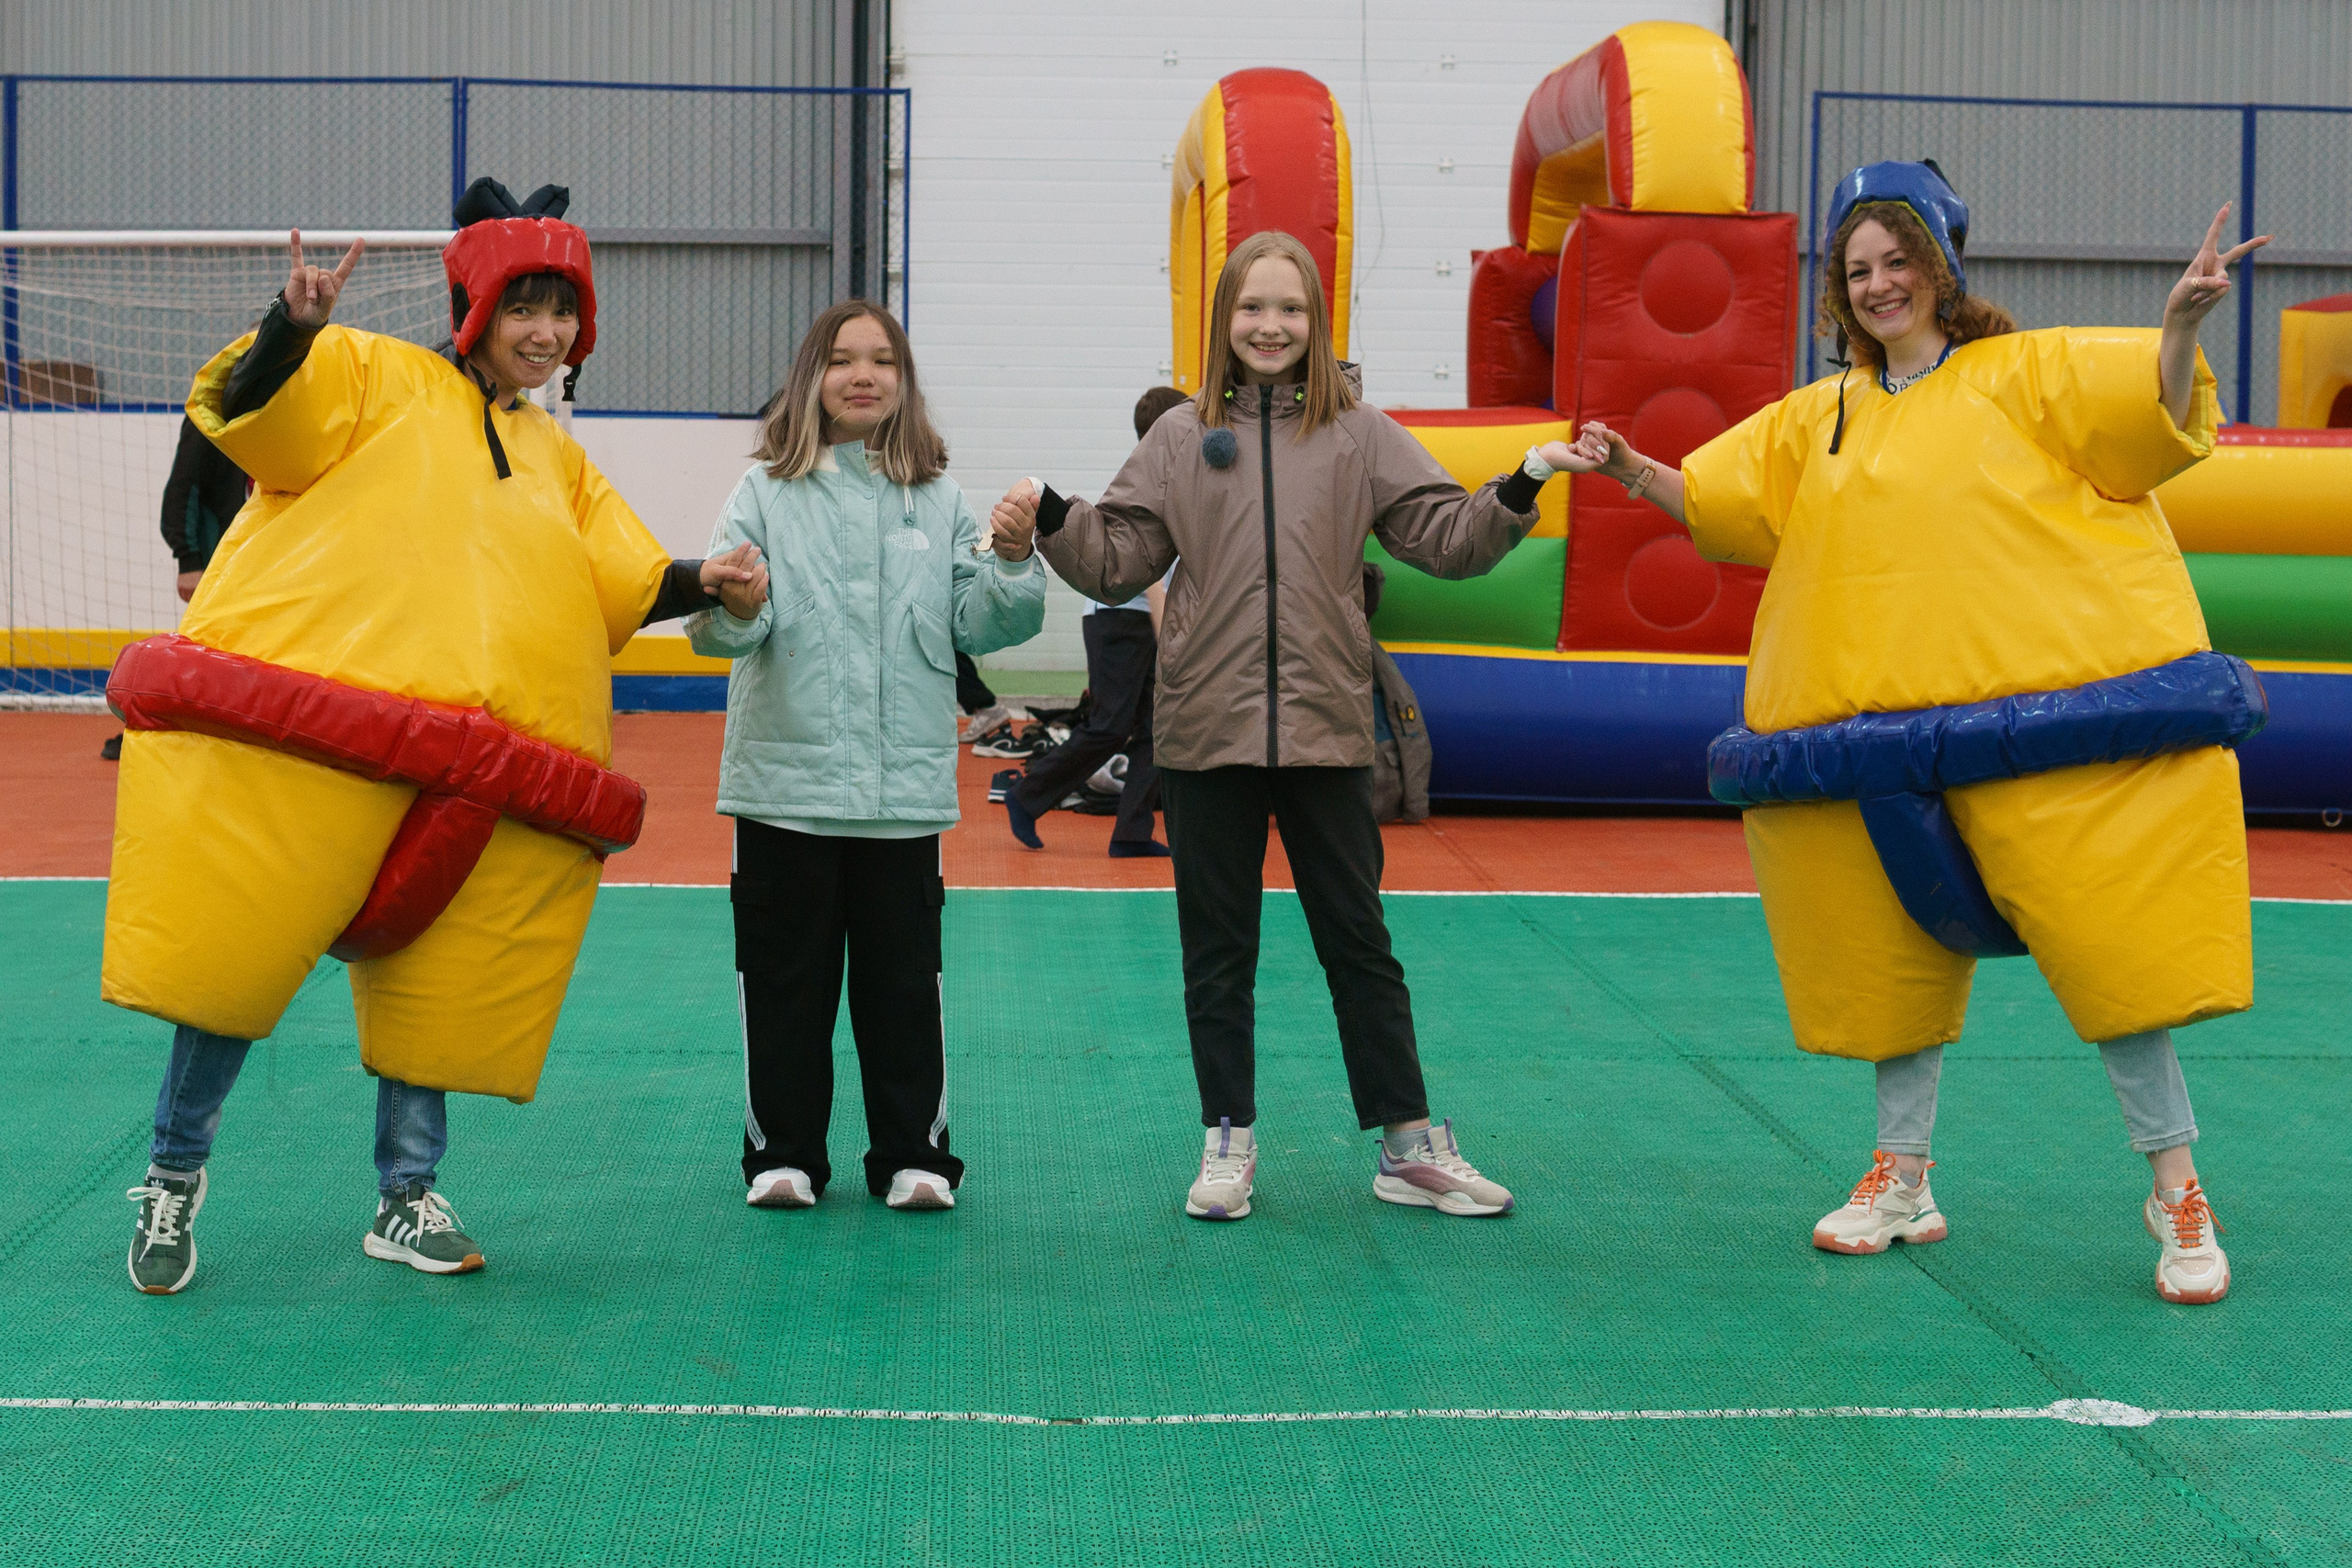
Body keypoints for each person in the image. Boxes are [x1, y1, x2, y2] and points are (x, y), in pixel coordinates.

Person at [1556, 162, 2266, 1304]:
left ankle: (2175, 1189)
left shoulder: (2025, 375)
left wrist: (2178, 324)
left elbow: (2152, 417)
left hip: (2049, 733)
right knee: (1887, 966)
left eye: (1898, 262)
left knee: (2120, 961)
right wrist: (1631, 467)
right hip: (1876, 745)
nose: (1880, 285)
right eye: (1858, 270)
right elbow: (1723, 504)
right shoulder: (1815, 417)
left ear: (1940, 267)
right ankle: (1904, 1179)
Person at [114, 177, 763, 1293]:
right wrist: (294, 327)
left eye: (563, 313)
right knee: (228, 970)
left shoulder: (555, 457)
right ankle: (174, 1176)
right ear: (475, 304)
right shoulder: (374, 377)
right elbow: (261, 420)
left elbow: (615, 579)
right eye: (525, 308)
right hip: (315, 739)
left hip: (465, 775)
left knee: (434, 991)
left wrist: (706, 577)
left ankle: (405, 1199)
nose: (545, 334)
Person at [995, 230, 1566, 1222]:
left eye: (1289, 309)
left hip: (1327, 730)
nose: (1270, 326)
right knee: (1217, 950)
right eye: (1252, 309)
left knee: (1358, 941)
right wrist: (1052, 513)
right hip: (1207, 731)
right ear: (1224, 322)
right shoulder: (1178, 438)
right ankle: (1227, 1139)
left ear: (1316, 321)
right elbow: (1116, 560)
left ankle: (1405, 1144)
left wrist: (1520, 479)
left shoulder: (1358, 435)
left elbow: (1446, 536)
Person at [688, 299, 1044, 1213]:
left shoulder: (937, 496)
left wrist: (1010, 561)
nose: (861, 375)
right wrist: (731, 603)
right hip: (782, 788)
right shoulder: (763, 489)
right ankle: (785, 1156)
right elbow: (726, 628)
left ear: (903, 381)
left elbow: (978, 622)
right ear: (813, 377)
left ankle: (913, 1156)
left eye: (880, 361)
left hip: (902, 793)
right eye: (842, 360)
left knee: (901, 987)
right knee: (783, 983)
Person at [1000, 384, 1188, 857]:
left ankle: (1132, 831)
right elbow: (1148, 576)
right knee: (1110, 724)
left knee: (1156, 728)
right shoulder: (1151, 478)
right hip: (1120, 620)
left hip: (1138, 621)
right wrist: (1169, 638)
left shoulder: (1179, 473)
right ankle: (1027, 793)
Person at [102, 417, 254, 761]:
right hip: (215, 552)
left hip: (249, 549)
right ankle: (146, 733)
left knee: (231, 648)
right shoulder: (211, 415)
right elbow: (183, 487)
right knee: (200, 649)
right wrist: (189, 559)